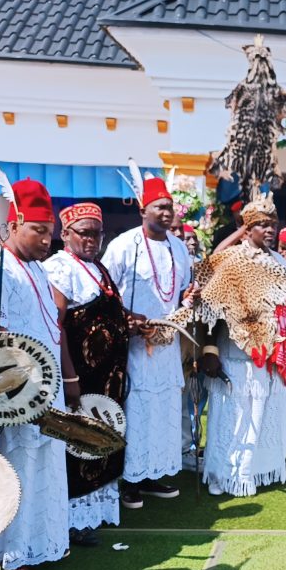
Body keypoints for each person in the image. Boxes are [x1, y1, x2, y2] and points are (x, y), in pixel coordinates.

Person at [0, 179, 71, 570]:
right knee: (17, 466)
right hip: (15, 391)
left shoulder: (36, 268)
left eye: (50, 232)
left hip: (48, 385)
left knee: (45, 463)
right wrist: (18, 391)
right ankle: (12, 554)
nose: (47, 240)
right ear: (13, 226)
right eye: (38, 230)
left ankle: (45, 542)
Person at [200, 194, 286, 496]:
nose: (270, 229)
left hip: (271, 354)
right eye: (261, 224)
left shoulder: (276, 260)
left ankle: (263, 470)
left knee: (266, 416)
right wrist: (209, 350)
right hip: (236, 353)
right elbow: (210, 304)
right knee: (234, 419)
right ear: (246, 230)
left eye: (272, 223)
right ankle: (224, 476)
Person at [101, 178, 193, 507]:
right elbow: (106, 290)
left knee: (163, 408)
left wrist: (189, 297)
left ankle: (154, 474)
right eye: (161, 207)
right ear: (143, 210)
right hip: (133, 347)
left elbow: (184, 289)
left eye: (171, 207)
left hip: (166, 345)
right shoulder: (125, 245)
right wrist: (127, 318)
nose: (168, 213)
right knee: (136, 409)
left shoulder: (179, 247)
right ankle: (130, 481)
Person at [45, 202, 130, 546]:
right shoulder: (59, 268)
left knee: (101, 441)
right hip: (82, 377)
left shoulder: (97, 267)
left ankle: (95, 513)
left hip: (107, 378)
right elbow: (58, 325)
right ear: (65, 234)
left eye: (98, 233)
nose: (93, 239)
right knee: (79, 444)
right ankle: (74, 521)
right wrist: (70, 379)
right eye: (85, 232)